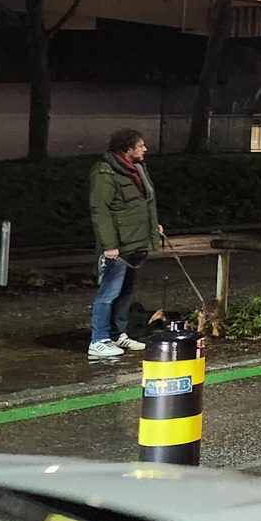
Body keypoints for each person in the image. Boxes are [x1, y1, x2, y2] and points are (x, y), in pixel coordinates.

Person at [87, 129, 163, 359]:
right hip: (118, 246)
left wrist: (154, 228)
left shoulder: (138, 169)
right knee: (108, 292)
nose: (145, 149)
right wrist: (110, 245)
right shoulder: (105, 172)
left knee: (126, 291)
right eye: (140, 145)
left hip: (134, 243)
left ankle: (117, 333)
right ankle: (98, 340)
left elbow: (145, 204)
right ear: (127, 149)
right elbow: (100, 210)